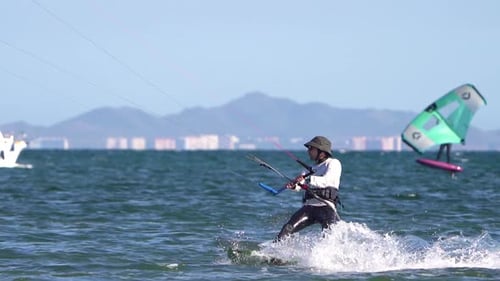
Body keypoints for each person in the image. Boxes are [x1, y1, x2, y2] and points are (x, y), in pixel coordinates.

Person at [275, 136, 342, 242]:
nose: (308, 151)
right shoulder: (309, 170)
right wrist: (294, 186)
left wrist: (309, 179)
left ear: (322, 152)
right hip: (309, 208)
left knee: (329, 238)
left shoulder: (333, 163)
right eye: (309, 148)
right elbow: (300, 185)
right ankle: (274, 254)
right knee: (287, 229)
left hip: (326, 207)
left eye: (311, 148)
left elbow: (328, 180)